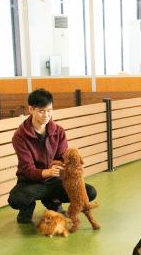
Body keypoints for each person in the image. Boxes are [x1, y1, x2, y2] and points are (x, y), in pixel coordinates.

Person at [7, 88, 97, 224]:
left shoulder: (59, 131)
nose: (46, 115)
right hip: (32, 182)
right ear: (31, 109)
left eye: (49, 110)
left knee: (89, 192)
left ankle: (53, 201)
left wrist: (75, 164)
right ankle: (28, 207)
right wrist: (47, 172)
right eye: (41, 111)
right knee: (17, 199)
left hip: (56, 179)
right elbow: (27, 169)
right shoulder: (20, 136)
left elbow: (63, 156)